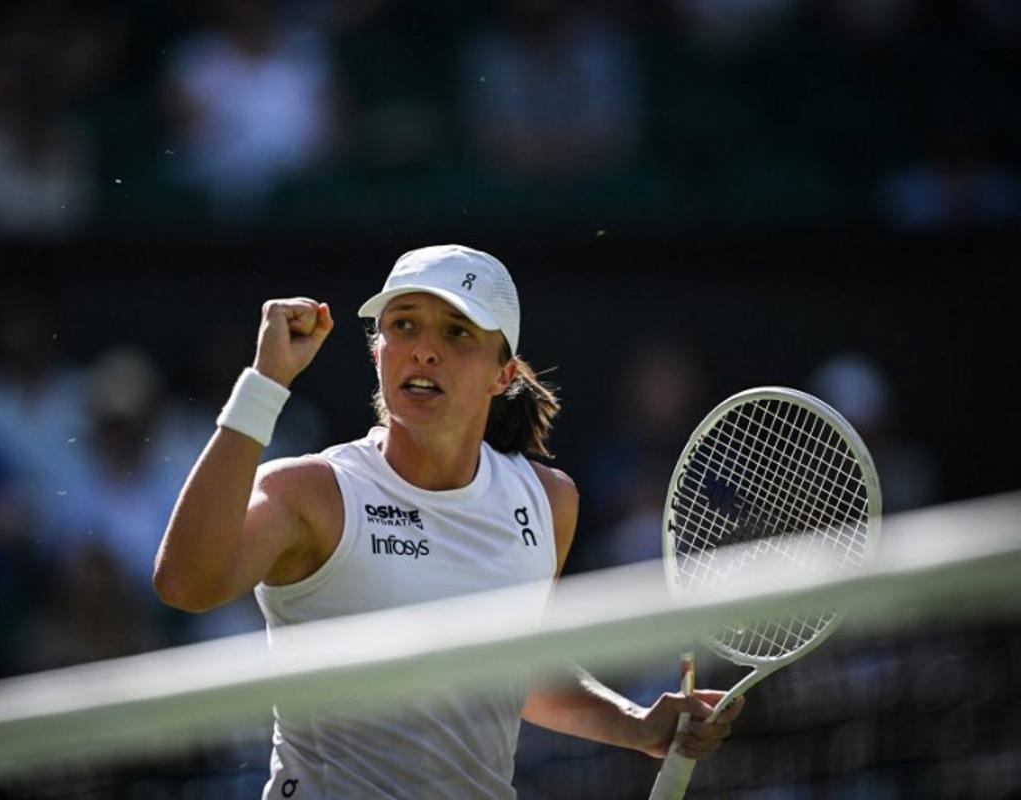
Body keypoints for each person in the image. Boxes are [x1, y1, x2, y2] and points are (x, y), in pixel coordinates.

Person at [153, 244, 743, 798]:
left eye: (457, 332)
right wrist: (263, 386)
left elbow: (513, 667)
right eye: (403, 325)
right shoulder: (307, 493)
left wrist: (636, 725)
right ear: (377, 347)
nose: (424, 349)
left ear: (502, 375)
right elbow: (185, 585)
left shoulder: (548, 501)